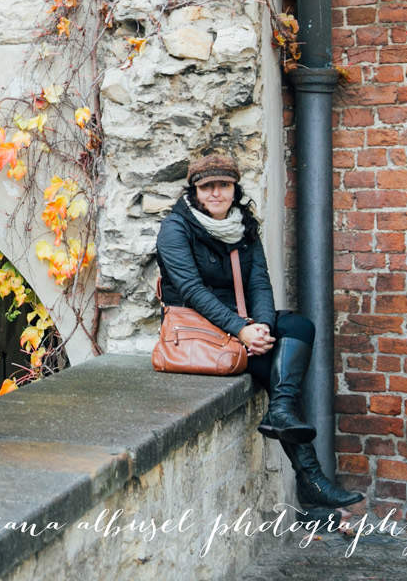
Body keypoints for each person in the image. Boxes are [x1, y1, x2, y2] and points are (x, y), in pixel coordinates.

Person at [155, 152, 364, 510]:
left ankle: (281, 414)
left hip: (241, 323)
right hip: (198, 328)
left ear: (235, 189)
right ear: (195, 192)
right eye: (208, 187)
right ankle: (310, 478)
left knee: (298, 326)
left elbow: (259, 285)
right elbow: (191, 290)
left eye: (224, 185)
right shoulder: (176, 229)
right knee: (274, 369)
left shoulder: (243, 226)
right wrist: (241, 330)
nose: (216, 193)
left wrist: (263, 326)